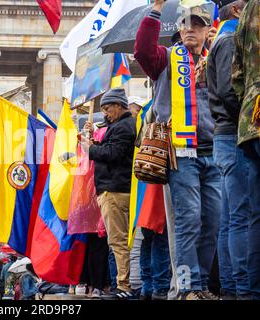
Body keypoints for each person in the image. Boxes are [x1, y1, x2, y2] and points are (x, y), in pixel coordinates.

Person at [135, 0, 221, 300]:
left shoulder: (215, 60)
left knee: (212, 223)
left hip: (213, 154)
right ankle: (187, 287)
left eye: (196, 24)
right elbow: (143, 51)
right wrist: (156, 9)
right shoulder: (167, 58)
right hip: (180, 155)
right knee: (188, 221)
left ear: (209, 29)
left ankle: (201, 285)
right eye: (184, 23)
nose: (189, 29)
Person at [207, 0, 250, 300]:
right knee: (240, 216)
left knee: (231, 217)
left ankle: (233, 288)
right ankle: (241, 288)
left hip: (225, 136)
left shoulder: (222, 38)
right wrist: (249, 118)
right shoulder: (228, 39)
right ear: (237, 10)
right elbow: (228, 91)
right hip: (232, 134)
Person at [81, 88, 137, 300]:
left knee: (118, 242)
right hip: (115, 189)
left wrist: (90, 150)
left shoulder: (123, 126)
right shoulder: (119, 125)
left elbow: (114, 153)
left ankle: (124, 286)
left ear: (119, 105)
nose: (105, 113)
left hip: (115, 191)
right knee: (119, 242)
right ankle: (122, 285)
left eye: (107, 108)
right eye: (103, 109)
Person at [232, 0, 260, 300]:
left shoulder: (249, 8)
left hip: (249, 123)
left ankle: (252, 292)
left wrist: (250, 100)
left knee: (255, 215)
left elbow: (235, 73)